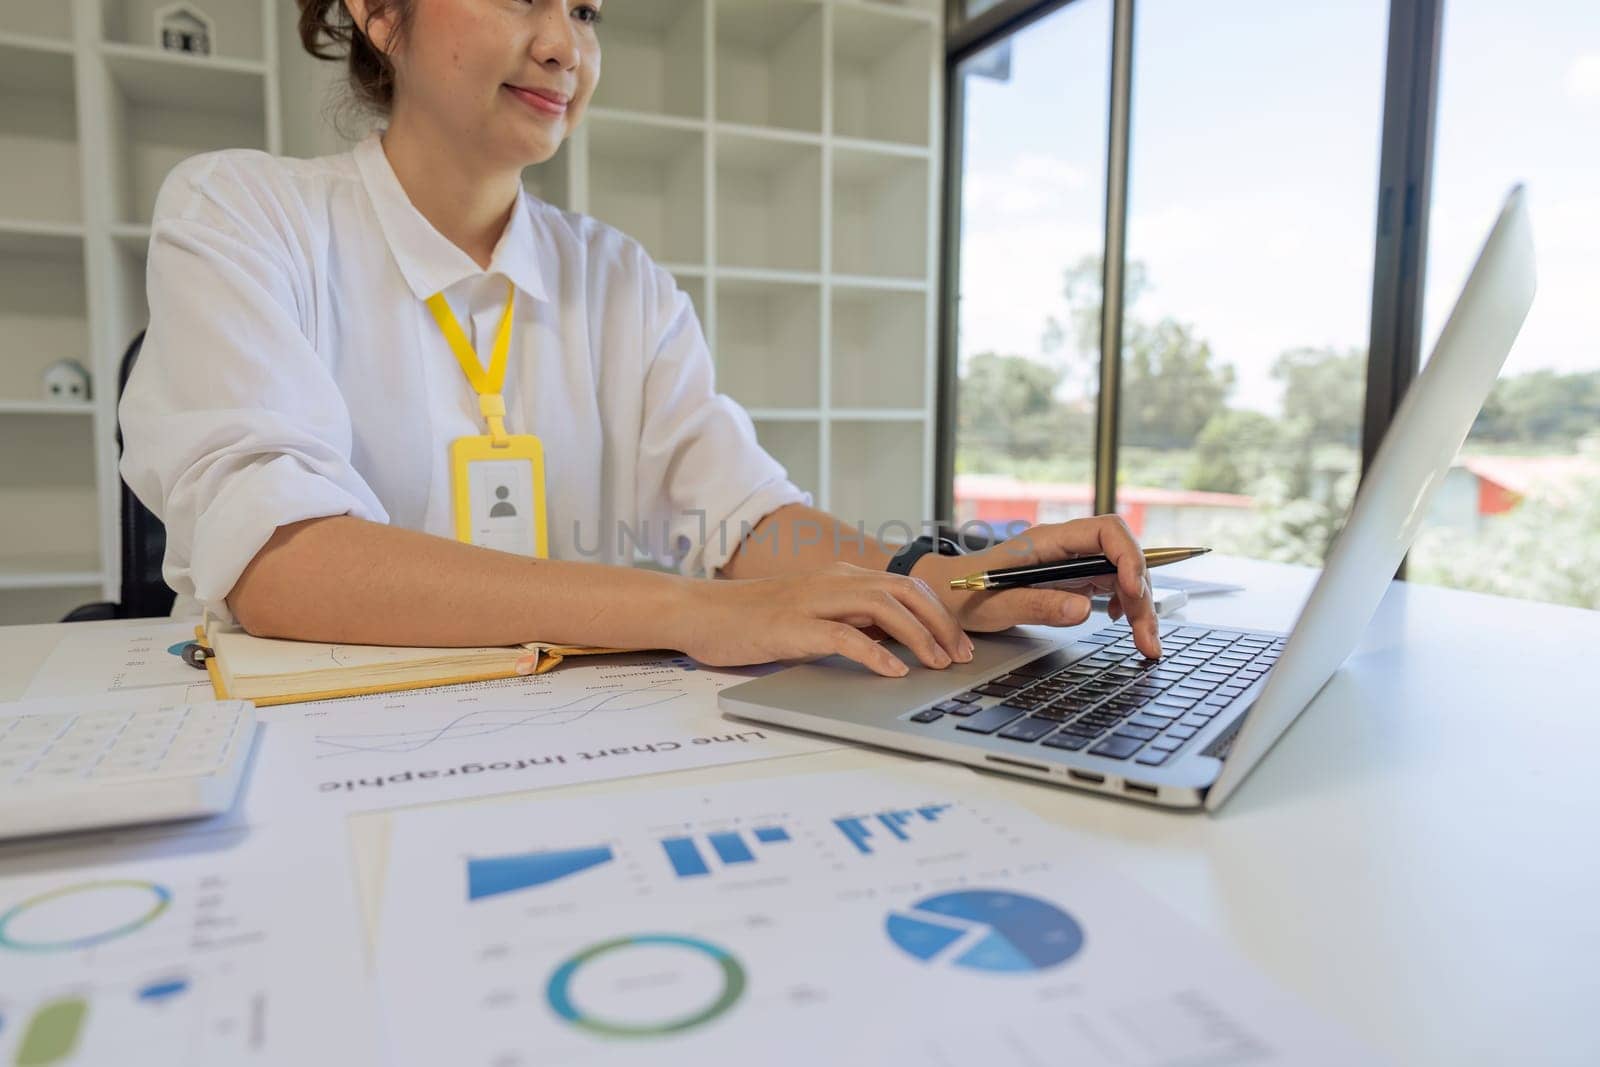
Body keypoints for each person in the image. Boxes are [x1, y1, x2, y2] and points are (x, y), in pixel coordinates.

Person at [119, 0, 1161, 678]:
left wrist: (930, 578)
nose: (565, 47)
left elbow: (744, 517)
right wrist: (692, 611)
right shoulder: (240, 211)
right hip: (316, 750)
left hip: (587, 745)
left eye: (585, 9)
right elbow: (282, 560)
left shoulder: (617, 278)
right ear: (377, 12)